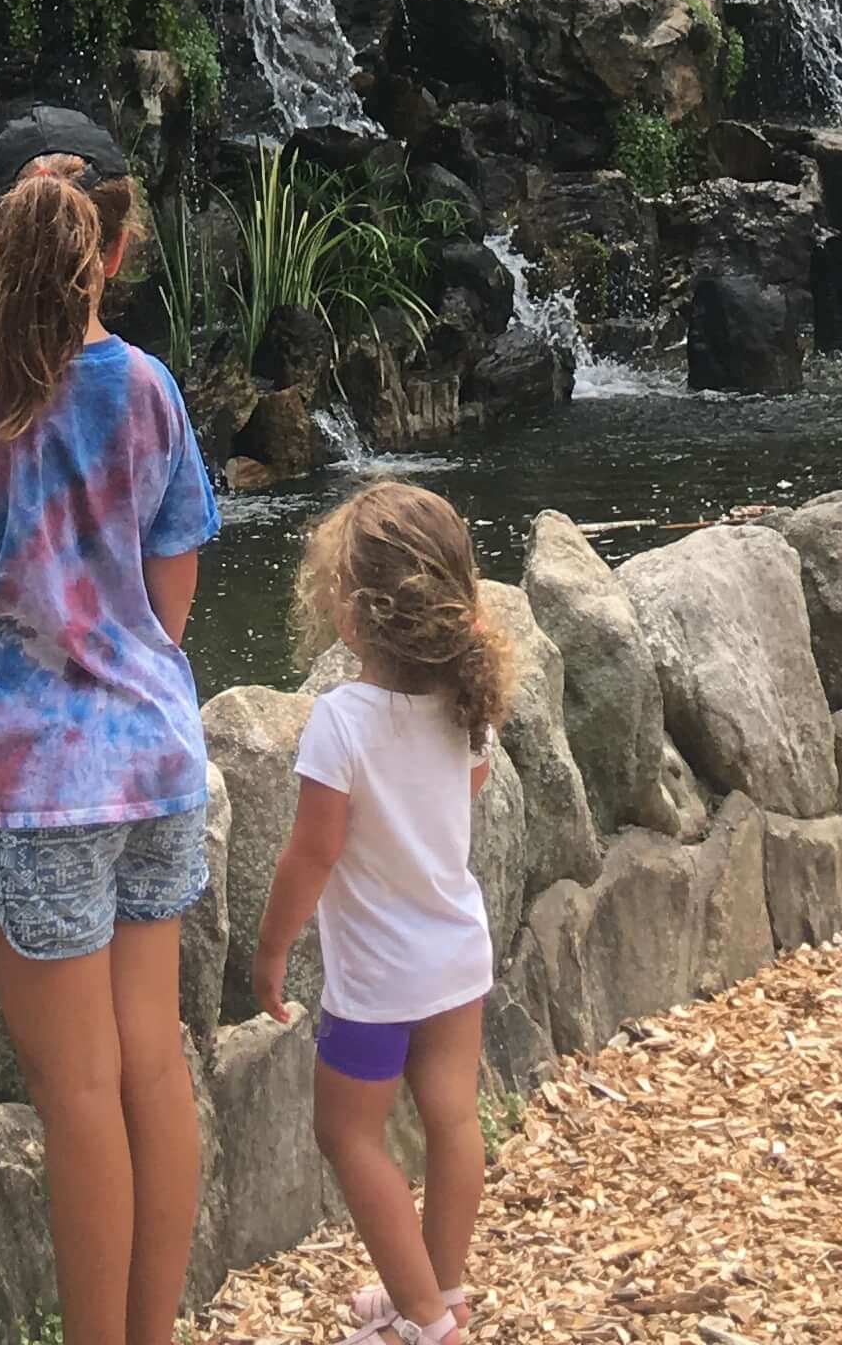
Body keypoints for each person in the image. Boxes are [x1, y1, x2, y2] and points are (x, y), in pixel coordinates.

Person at [0, 149, 219, 1345]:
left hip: (38, 791)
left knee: (78, 1097)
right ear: (111, 253)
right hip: (157, 766)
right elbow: (172, 599)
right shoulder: (151, 390)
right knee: (151, 1068)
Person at [253, 483, 512, 1345]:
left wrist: (271, 950)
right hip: (455, 956)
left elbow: (312, 852)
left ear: (355, 613)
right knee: (453, 1120)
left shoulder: (341, 722)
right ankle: (435, 1293)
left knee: (347, 1135)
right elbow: (466, 786)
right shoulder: (466, 705)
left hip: (375, 981)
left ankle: (428, 1324)